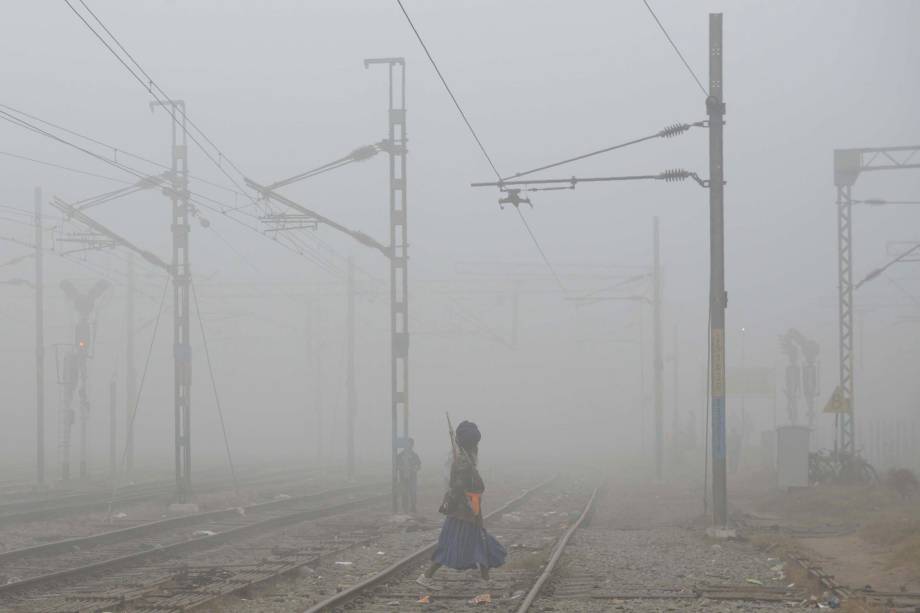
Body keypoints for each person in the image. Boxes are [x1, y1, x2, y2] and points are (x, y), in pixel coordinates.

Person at [417, 420, 505, 590]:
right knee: (468, 540)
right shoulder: (462, 460)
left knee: (476, 540)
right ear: (472, 443)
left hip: (468, 505)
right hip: (465, 508)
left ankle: (485, 580)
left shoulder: (464, 457)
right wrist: (472, 507)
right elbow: (460, 486)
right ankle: (427, 576)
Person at [396, 438, 421, 513]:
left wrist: (415, 468)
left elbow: (419, 465)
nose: (409, 446)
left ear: (412, 445)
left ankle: (413, 506)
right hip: (403, 477)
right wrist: (401, 468)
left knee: (413, 492)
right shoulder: (400, 455)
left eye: (410, 444)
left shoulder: (414, 455)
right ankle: (404, 508)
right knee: (404, 492)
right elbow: (397, 465)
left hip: (412, 477)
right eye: (407, 444)